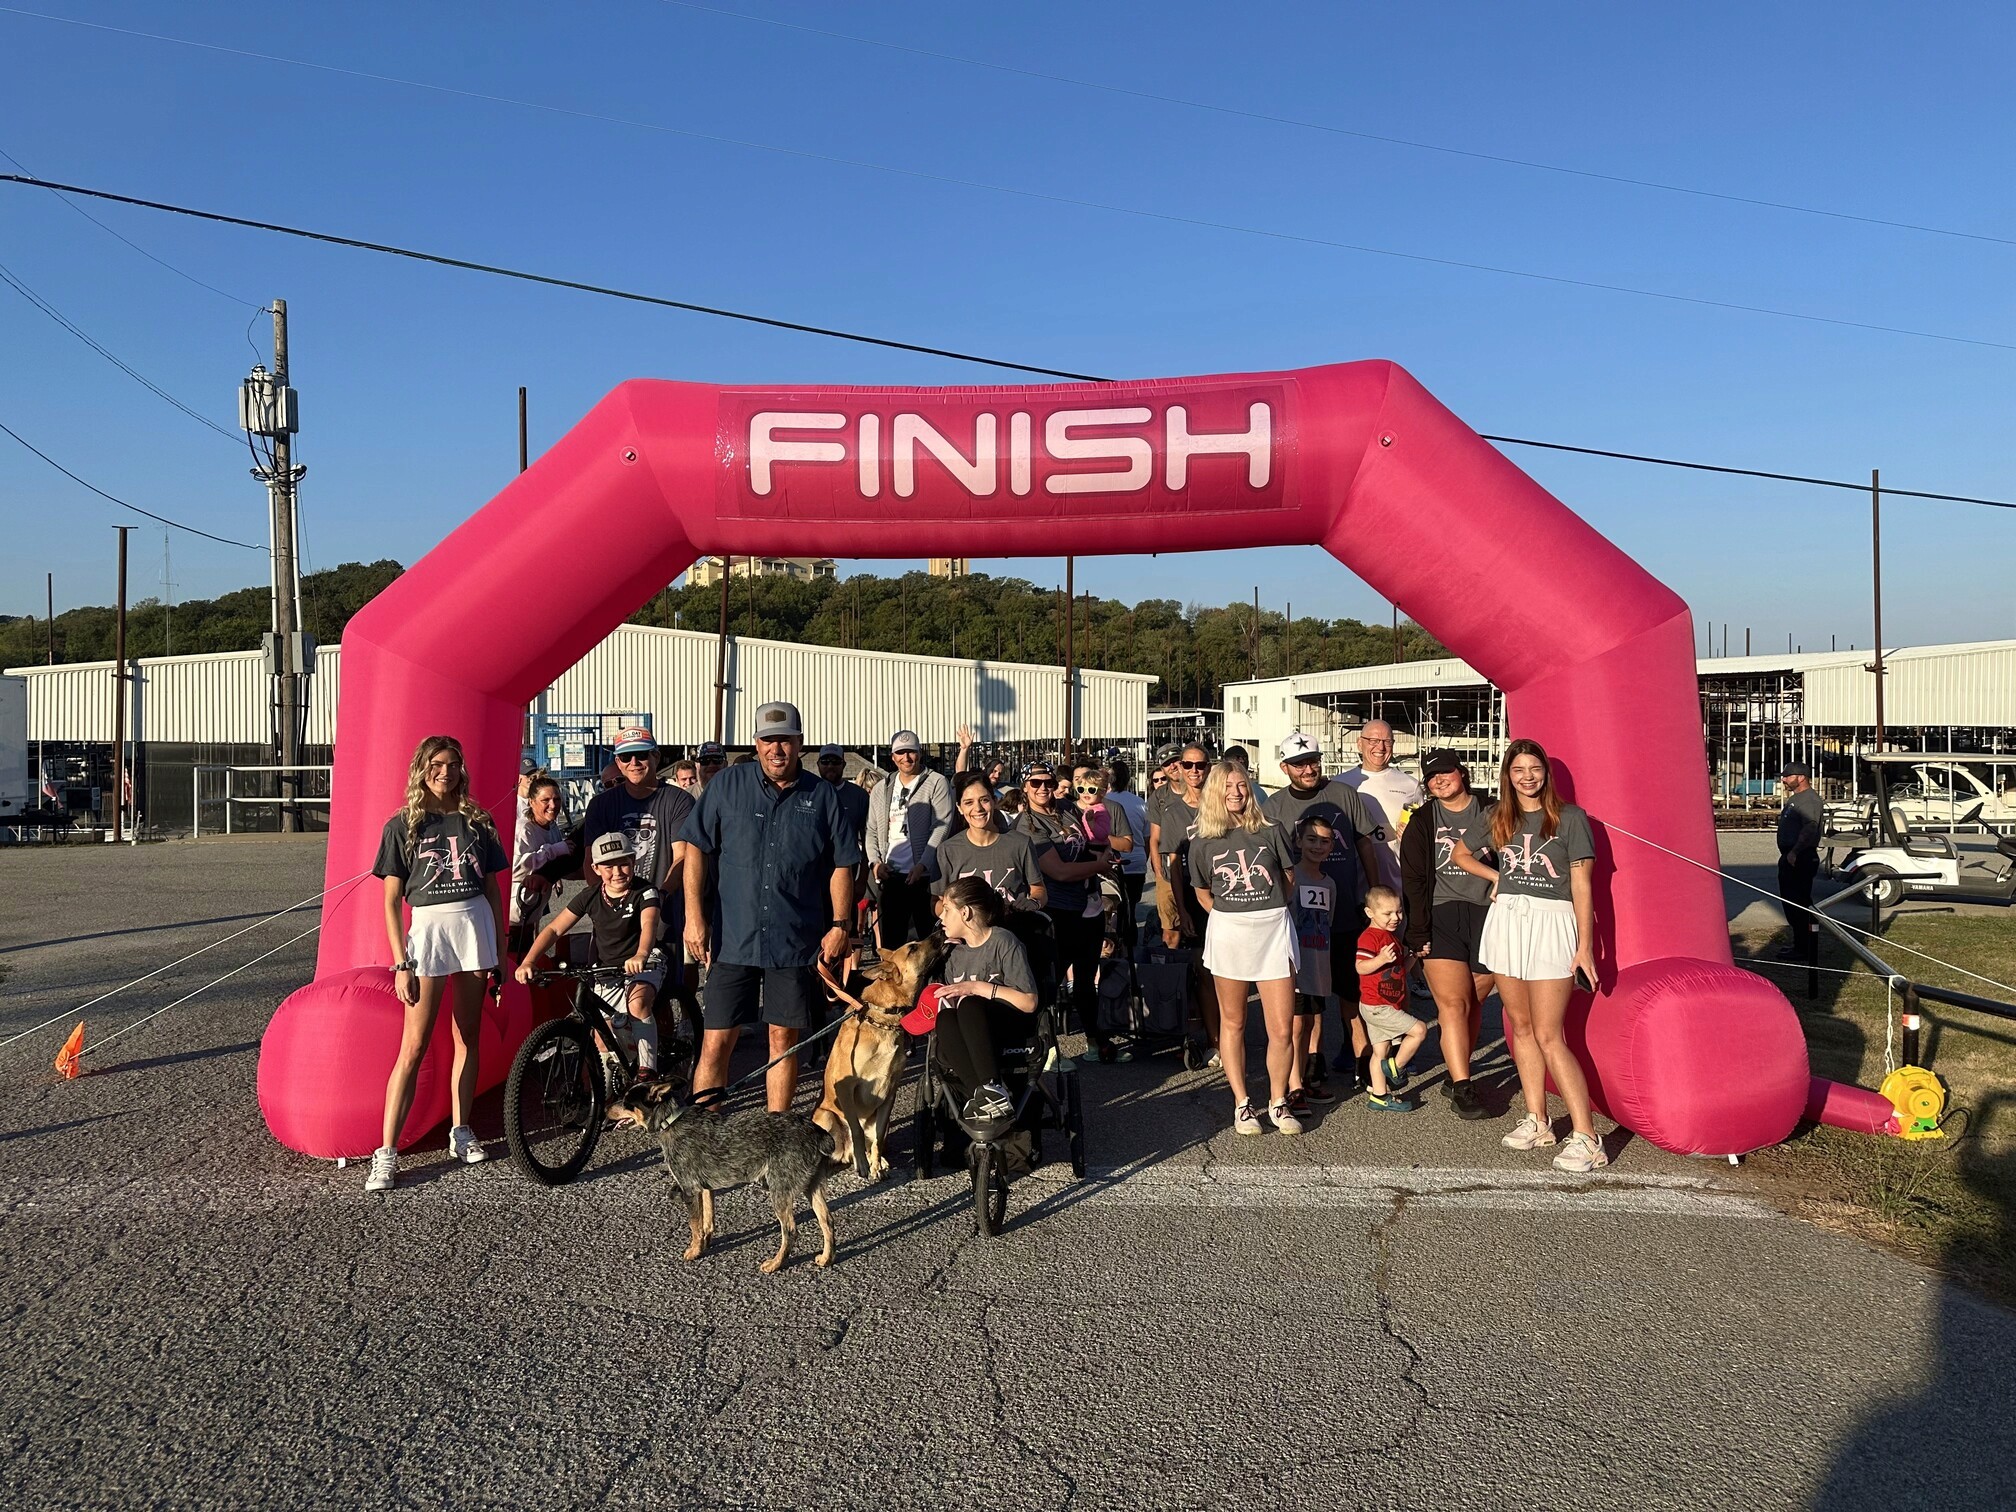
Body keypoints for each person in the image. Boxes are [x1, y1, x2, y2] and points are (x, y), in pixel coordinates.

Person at [682, 700, 861, 1112]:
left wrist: (840, 924)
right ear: (755, 742)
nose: (775, 749)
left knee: (782, 1041)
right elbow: (696, 848)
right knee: (717, 1041)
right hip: (733, 938)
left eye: (785, 740)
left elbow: (842, 864)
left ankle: (774, 1139)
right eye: (767, 740)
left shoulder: (822, 796)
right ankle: (702, 1146)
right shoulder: (727, 785)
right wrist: (695, 917)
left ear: (800, 744)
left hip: (793, 939)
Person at [1453, 739, 1605, 1172]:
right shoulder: (1498, 816)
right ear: (1508, 774)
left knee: (1548, 1034)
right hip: (1508, 922)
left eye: (1534, 768)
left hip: (1552, 924)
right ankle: (1538, 1119)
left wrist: (1584, 946)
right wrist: (1494, 876)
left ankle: (1587, 1137)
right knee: (1520, 1027)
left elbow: (1582, 887)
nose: (1527, 777)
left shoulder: (1570, 818)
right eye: (1518, 769)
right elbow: (1461, 854)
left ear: (1545, 773)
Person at [365, 735, 509, 1193]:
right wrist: (400, 962)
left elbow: (491, 889)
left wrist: (500, 952)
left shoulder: (479, 821)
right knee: (414, 1045)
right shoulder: (402, 825)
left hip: (474, 927)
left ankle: (461, 1130)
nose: (445, 772)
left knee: (468, 1034)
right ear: (422, 768)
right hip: (427, 932)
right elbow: (390, 901)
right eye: (436, 764)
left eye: (452, 764)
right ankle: (386, 1153)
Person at [1189, 760, 1303, 1134]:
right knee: (1233, 1022)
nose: (1236, 793)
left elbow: (1289, 880)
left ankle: (1278, 1100)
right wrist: (1231, 915)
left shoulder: (1272, 830)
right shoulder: (1202, 840)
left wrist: (1264, 907)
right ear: (1214, 793)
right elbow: (1203, 892)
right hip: (1230, 932)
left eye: (1241, 786)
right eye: (1228, 787)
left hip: (1273, 929)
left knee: (1281, 1027)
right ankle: (1241, 1103)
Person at [1265, 732, 1383, 1089]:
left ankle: (1364, 1062)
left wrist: (1375, 894)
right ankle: (1314, 1060)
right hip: (1301, 921)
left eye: (1313, 760)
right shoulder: (1274, 807)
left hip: (1346, 910)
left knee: (1351, 993)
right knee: (1310, 999)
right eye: (1300, 763)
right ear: (1285, 767)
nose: (1309, 768)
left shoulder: (1345, 795)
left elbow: (1365, 843)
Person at [515, 831, 666, 1080]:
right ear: (595, 868)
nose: (617, 872)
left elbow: (649, 924)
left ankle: (647, 1073)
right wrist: (529, 960)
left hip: (645, 960)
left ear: (633, 862)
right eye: (608, 866)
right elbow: (554, 928)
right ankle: (606, 1092)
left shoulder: (645, 892)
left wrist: (640, 954)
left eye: (623, 864)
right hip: (606, 967)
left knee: (637, 1003)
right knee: (601, 1033)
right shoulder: (591, 895)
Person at [1398, 749, 1495, 1121]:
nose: (1440, 780)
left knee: (1475, 1000)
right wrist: (1416, 932)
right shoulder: (1423, 820)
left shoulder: (1491, 809)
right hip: (1440, 914)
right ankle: (1463, 1086)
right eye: (1432, 776)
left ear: (1462, 773)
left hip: (1487, 912)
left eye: (1446, 772)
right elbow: (1414, 879)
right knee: (1453, 1005)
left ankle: (1458, 1069)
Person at [582, 726, 695, 1023]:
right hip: (613, 915)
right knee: (605, 1001)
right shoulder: (602, 804)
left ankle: (661, 1067)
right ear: (617, 762)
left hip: (661, 913)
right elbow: (588, 861)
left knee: (657, 998)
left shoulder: (678, 800)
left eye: (641, 755)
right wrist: (602, 902)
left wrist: (659, 896)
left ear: (656, 757)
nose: (634, 763)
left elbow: (682, 856)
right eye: (626, 757)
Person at [1016, 760, 1122, 1061]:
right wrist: (1101, 865)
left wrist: (1105, 851)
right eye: (1035, 783)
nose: (1043, 788)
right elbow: (1059, 871)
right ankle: (1044, 1049)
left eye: (1048, 782)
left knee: (1087, 980)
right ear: (1025, 786)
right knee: (1049, 983)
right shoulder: (1027, 825)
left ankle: (1095, 1041)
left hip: (1088, 903)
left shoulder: (1066, 808)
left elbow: (1093, 839)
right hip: (1057, 909)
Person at [930, 877, 1041, 1124]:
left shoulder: (1003, 941)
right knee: (946, 1016)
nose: (941, 918)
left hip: (1007, 1026)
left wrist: (978, 987)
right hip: (967, 1033)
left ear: (966, 913)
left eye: (947, 910)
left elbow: (1029, 1002)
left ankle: (993, 1086)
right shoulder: (953, 953)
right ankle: (980, 1096)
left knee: (970, 1002)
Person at [1147, 742, 1218, 1057]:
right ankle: (1204, 1036)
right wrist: (1181, 906)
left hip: (1225, 892)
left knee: (1222, 973)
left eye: (1199, 765)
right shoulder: (1171, 808)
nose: (1192, 771)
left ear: (1209, 766)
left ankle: (1223, 1039)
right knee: (1198, 968)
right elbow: (1172, 863)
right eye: (1186, 765)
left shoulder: (1223, 801)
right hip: (1190, 893)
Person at [866, 730, 954, 948]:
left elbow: (941, 826)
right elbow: (871, 830)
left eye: (911, 752)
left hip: (924, 877)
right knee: (892, 944)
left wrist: (923, 863)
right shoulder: (882, 787)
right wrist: (875, 863)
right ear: (893, 756)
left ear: (919, 753)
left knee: (927, 944)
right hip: (891, 876)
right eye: (901, 753)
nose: (906, 758)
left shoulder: (936, 782)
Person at [1287, 814, 1346, 1110]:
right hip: (1295, 967)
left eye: (1325, 841)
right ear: (1299, 841)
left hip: (1319, 966)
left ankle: (1308, 1080)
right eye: (1312, 839)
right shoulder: (1290, 877)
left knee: (1312, 1024)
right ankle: (1292, 1085)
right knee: (1296, 1027)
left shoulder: (1330, 884)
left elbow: (1327, 923)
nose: (1318, 846)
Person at [1355, 886, 1427, 1112]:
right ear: (1370, 913)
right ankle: (1396, 1067)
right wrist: (1380, 959)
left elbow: (1399, 970)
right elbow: (1360, 967)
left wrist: (1414, 956)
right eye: (1387, 914)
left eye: (1399, 912)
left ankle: (1379, 1095)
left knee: (1380, 1052)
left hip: (1381, 1004)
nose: (1395, 918)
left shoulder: (1390, 937)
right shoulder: (1369, 937)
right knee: (1420, 1030)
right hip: (1378, 1006)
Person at [937, 772, 1046, 908]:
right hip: (966, 928)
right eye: (969, 802)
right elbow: (937, 901)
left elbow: (1039, 889)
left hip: (1012, 925)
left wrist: (1033, 902)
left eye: (984, 800)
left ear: (995, 801)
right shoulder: (948, 850)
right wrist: (953, 914)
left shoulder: (1020, 843)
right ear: (959, 808)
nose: (978, 808)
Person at [1342, 720, 1423, 892]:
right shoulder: (1340, 784)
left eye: (1387, 741)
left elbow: (1421, 836)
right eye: (1373, 741)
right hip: (1351, 886)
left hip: (1397, 885)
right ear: (1359, 743)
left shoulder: (1410, 785)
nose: (1381, 747)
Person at [509, 772, 572, 955]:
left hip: (531, 914)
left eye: (557, 799)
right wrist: (552, 851)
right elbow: (514, 869)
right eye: (546, 800)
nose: (553, 805)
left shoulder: (551, 826)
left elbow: (557, 860)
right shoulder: (523, 829)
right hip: (514, 917)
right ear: (531, 802)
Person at [1774, 761, 1825, 961]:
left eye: (1788, 776)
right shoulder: (1796, 799)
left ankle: (1805, 948)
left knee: (1799, 904)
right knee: (1790, 902)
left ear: (1801, 777)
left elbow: (1810, 828)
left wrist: (1795, 851)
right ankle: (1798, 943)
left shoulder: (1810, 801)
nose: (1784, 780)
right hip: (1789, 856)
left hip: (1801, 857)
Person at [1099, 759, 1150, 952]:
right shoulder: (1140, 803)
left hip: (1111, 864)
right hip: (1136, 861)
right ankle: (1130, 949)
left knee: (1110, 910)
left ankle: (1112, 948)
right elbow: (1146, 838)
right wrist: (1143, 860)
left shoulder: (1104, 803)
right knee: (1131, 910)